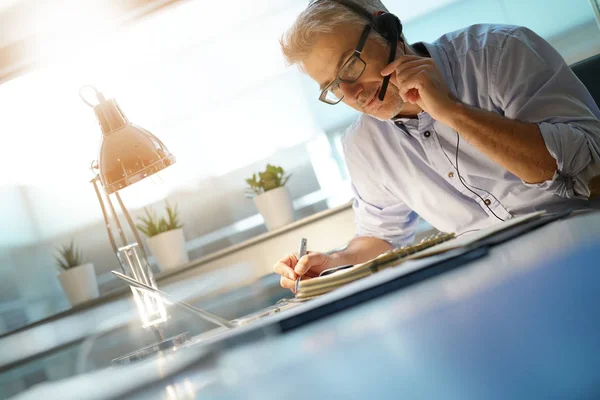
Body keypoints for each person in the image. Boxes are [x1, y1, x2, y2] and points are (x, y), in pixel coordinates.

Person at [273, 0, 600, 291]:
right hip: (493, 285)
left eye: (350, 66)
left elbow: (585, 166)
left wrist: (451, 112)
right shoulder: (363, 145)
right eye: (333, 86)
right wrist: (334, 262)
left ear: (388, 29)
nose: (353, 92)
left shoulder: (498, 52)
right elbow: (381, 237)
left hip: (583, 247)